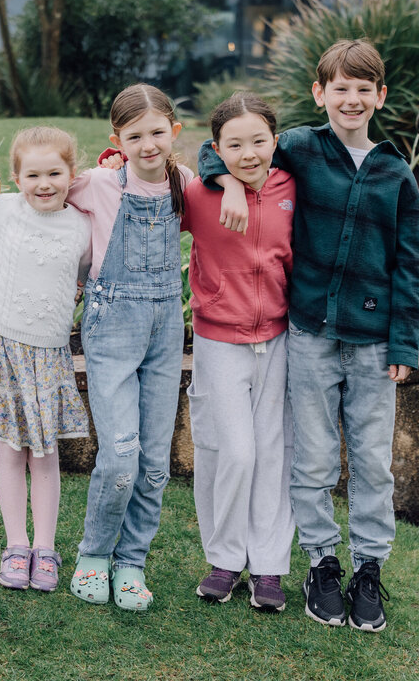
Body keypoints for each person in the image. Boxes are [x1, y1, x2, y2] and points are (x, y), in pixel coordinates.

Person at [199, 39, 419, 632]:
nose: (350, 100)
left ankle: (368, 568)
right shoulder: (300, 147)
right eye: (339, 89)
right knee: (314, 457)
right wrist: (224, 181)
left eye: (363, 90)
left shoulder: (395, 173)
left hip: (375, 341)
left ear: (379, 97)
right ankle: (322, 564)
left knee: (373, 461)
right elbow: (215, 146)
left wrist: (405, 341)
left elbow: (411, 263)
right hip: (308, 335)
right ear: (319, 93)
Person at [67, 84, 193, 611]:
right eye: (134, 136)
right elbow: (44, 192)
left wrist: (230, 190)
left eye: (157, 133)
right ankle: (93, 556)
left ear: (174, 133)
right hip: (112, 324)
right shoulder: (98, 183)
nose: (148, 145)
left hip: (166, 328)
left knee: (155, 461)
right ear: (116, 139)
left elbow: (228, 171)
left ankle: (132, 562)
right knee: (121, 457)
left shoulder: (186, 182)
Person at [182, 93, 296, 612]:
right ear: (216, 147)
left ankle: (269, 566)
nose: (248, 153)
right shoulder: (197, 194)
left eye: (258, 141)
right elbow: (145, 185)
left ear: (276, 140)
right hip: (217, 338)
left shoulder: (293, 184)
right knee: (233, 452)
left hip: (279, 338)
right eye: (234, 145)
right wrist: (220, 180)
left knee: (272, 454)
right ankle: (225, 558)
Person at [0, 126, 92, 592]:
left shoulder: (82, 228)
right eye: (33, 174)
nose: (44, 184)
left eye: (55, 173)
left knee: (45, 454)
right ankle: (16, 545)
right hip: (0, 345)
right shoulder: (1, 211)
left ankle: (46, 548)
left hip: (48, 353)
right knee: (10, 452)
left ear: (71, 175)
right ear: (15, 177)